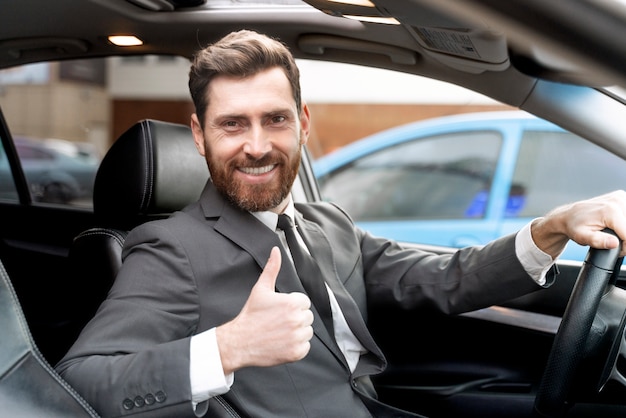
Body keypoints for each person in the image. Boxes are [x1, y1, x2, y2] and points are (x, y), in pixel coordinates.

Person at [55, 29, 626, 418]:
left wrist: (554, 226)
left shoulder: (327, 222)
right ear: (200, 136)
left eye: (275, 120)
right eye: (232, 125)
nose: (257, 146)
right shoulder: (169, 247)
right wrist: (226, 348)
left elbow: (451, 277)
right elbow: (78, 381)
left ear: (302, 123)